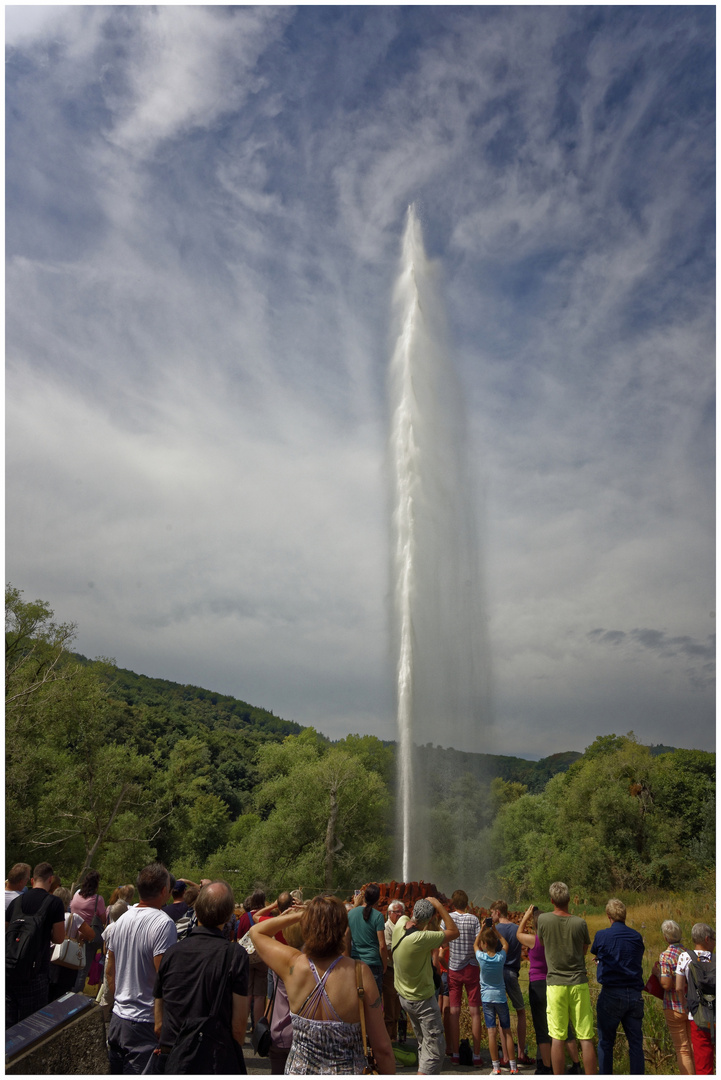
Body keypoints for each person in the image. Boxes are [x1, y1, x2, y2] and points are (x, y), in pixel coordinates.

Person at [250, 894, 396, 1074]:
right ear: (343, 928)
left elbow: (257, 931)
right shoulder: (359, 972)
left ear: (306, 926)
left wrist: (302, 915)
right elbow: (382, 1048)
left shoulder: (292, 965)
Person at [153, 881, 249, 1073]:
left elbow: (159, 1023)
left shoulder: (171, 953)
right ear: (229, 915)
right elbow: (239, 1028)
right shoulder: (235, 955)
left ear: (196, 910)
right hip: (214, 1057)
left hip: (172, 1055)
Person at [106, 862, 178, 1074]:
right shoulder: (163, 923)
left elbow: (110, 968)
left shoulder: (121, 919)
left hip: (119, 1018)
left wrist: (119, 999)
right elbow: (164, 977)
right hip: (145, 1021)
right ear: (165, 891)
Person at [392, 895, 460, 1074]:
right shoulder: (420, 939)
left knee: (424, 1041)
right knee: (436, 1049)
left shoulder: (400, 923)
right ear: (431, 919)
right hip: (422, 1000)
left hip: (405, 998)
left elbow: (407, 918)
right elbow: (454, 931)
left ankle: (422, 1070)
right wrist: (438, 904)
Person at [537, 881, 597, 1076]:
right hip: (578, 982)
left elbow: (544, 944)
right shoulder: (580, 923)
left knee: (557, 1036)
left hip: (555, 984)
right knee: (585, 1036)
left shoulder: (544, 920)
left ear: (552, 900)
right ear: (569, 899)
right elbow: (584, 949)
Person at [517, 903, 581, 1075]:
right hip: (555, 982)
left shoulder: (534, 940)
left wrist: (526, 916)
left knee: (541, 1027)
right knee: (564, 1025)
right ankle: (576, 1064)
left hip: (537, 985)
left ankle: (547, 1067)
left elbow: (518, 934)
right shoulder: (554, 940)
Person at [5, 861, 66, 1026]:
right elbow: (59, 939)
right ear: (50, 880)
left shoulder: (16, 902)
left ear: (32, 880)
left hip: (9, 971)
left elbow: (6, 932)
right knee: (30, 1027)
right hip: (35, 973)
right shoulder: (54, 903)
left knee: (8, 1025)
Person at [590, 899, 645, 1074]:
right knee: (636, 1042)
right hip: (635, 993)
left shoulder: (602, 935)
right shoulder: (636, 936)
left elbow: (597, 951)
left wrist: (600, 959)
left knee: (606, 1042)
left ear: (608, 916)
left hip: (612, 993)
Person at [443, 889, 482, 1066]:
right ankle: (476, 1055)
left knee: (454, 1011)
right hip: (472, 967)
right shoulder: (473, 919)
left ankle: (456, 1054)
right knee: (475, 1012)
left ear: (452, 903)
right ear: (467, 903)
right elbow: (479, 942)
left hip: (454, 969)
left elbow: (442, 942)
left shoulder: (448, 919)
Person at [491, 899, 532, 1065]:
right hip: (513, 973)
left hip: (498, 973)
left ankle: (506, 1056)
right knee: (521, 1011)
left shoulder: (494, 931)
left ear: (498, 912)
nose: (491, 916)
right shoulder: (516, 929)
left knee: (502, 1014)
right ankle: (521, 1052)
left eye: (492, 913)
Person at [474, 923, 516, 1075]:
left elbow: (475, 945)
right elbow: (505, 944)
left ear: (484, 944)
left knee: (491, 1032)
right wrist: (496, 931)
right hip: (500, 997)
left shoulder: (481, 957)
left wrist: (481, 930)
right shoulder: (501, 957)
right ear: (496, 943)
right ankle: (513, 1066)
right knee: (507, 1031)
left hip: (487, 998)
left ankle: (496, 1067)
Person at [654, 919, 694, 1074]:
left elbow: (665, 984)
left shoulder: (666, 956)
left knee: (682, 1050)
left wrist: (657, 974)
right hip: (691, 1005)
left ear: (665, 937)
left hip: (673, 1005)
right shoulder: (689, 953)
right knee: (693, 1046)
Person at [676, 922, 715, 1075]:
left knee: (703, 1065)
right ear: (707, 939)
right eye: (713, 939)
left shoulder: (685, 957)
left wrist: (685, 1005)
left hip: (697, 1017)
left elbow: (679, 987)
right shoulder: (717, 959)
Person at [47, 886, 95, 1002]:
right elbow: (92, 935)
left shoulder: (48, 915)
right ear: (68, 901)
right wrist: (80, 937)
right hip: (67, 961)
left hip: (50, 957)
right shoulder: (74, 918)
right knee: (61, 997)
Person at [347, 883, 388, 998]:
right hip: (373, 963)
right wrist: (384, 964)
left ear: (364, 897)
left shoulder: (351, 913)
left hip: (356, 962)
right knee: (373, 1000)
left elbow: (347, 940)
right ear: (377, 899)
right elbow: (382, 945)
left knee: (357, 998)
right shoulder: (378, 916)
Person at [70, 868, 107, 992]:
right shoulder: (98, 899)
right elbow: (103, 918)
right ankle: (75, 995)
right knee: (83, 970)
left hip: (73, 934)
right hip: (87, 936)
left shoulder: (76, 894)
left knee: (70, 966)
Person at [237, 889, 268, 1030]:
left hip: (247, 959)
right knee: (260, 995)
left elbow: (238, 939)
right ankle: (258, 1028)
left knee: (247, 994)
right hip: (263, 957)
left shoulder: (244, 917)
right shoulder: (268, 915)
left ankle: (242, 1027)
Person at [97, 901, 130, 1022]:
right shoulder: (127, 927)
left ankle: (103, 1016)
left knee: (107, 990)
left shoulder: (110, 928)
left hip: (109, 961)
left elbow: (105, 948)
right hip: (123, 961)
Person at [383, 900, 405, 1041]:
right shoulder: (387, 928)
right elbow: (389, 950)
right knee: (390, 1006)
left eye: (401, 912)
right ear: (389, 913)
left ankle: (397, 1039)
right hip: (391, 970)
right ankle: (389, 1040)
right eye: (396, 912)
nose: (400, 914)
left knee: (399, 1006)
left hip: (402, 971)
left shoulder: (403, 926)